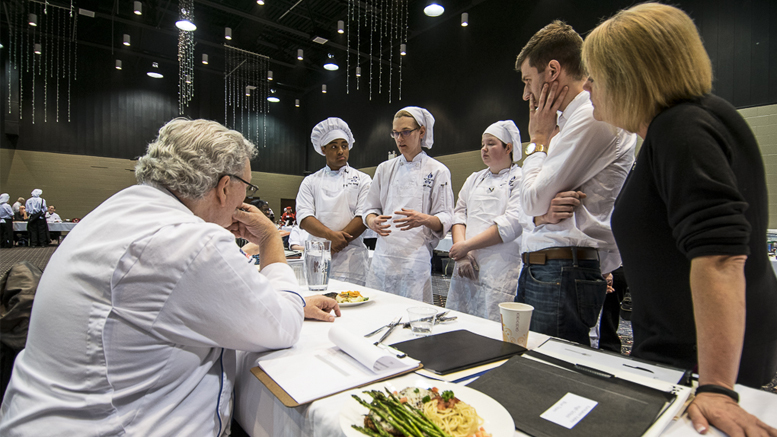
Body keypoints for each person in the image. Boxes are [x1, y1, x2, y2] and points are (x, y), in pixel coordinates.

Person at [0, 118, 340, 436]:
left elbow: (208, 292)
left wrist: (286, 301)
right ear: (225, 187)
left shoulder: (120, 208)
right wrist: (269, 239)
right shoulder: (188, 241)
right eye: (248, 186)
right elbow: (280, 326)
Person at [582, 4, 777, 436]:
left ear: (627, 75)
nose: (588, 89)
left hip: (698, 362)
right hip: (686, 352)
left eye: (594, 77)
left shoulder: (681, 128)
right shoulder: (688, 122)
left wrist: (717, 388)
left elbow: (722, 256)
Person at [513, 20, 637, 345]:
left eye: (528, 81)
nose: (526, 93)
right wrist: (539, 214)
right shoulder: (566, 121)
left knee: (549, 373)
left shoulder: (589, 117)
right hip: (550, 265)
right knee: (530, 365)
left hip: (564, 268)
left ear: (553, 70)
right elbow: (532, 209)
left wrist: (538, 141)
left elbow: (531, 198)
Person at [363, 107, 454, 303]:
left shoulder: (438, 171)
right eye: (395, 133)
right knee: (378, 311)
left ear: (421, 132)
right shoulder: (384, 169)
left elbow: (446, 216)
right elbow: (369, 208)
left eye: (405, 132)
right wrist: (372, 221)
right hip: (384, 256)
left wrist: (425, 219)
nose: (399, 139)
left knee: (412, 317)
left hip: (415, 257)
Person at [445, 121, 524, 322]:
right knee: (460, 322)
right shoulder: (474, 179)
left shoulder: (520, 178)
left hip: (500, 267)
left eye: (491, 143)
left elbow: (511, 224)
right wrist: (462, 255)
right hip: (466, 265)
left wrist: (466, 246)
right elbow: (459, 214)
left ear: (508, 147)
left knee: (493, 325)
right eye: (482, 144)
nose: (484, 149)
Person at [296, 118, 372, 285]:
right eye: (334, 146)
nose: (340, 151)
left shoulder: (363, 180)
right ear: (323, 149)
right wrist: (331, 239)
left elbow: (363, 216)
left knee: (354, 303)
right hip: (318, 256)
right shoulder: (310, 181)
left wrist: (340, 242)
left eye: (344, 146)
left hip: (351, 259)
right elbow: (304, 217)